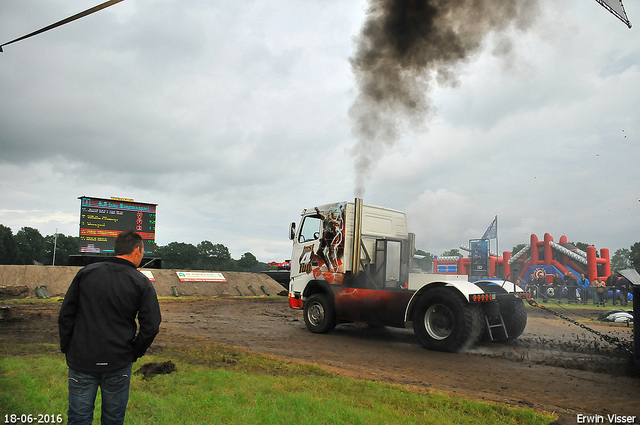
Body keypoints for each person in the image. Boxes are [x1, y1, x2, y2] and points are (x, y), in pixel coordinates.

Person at [58, 230, 162, 425]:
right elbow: (151, 326)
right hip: (118, 361)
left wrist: (68, 347)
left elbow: (66, 315)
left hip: (82, 358)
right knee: (113, 419)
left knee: (79, 418)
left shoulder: (86, 273)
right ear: (137, 251)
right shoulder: (141, 282)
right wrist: (133, 353)